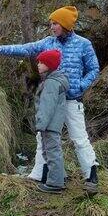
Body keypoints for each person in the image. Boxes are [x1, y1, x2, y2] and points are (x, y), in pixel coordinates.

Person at [0, 6, 100, 194]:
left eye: (55, 23)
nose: (51, 27)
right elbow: (25, 49)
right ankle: (40, 173)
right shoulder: (48, 42)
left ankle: (90, 175)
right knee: (42, 136)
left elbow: (94, 69)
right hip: (51, 100)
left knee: (78, 137)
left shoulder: (83, 44)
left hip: (71, 100)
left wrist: (81, 86)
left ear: (66, 24)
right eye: (50, 23)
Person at [34, 49, 69, 194]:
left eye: (42, 62)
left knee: (52, 152)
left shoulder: (51, 83)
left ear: (50, 65)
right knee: (51, 151)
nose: (38, 65)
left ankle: (55, 184)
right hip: (52, 124)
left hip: (50, 125)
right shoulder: (53, 80)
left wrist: (40, 124)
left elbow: (47, 106)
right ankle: (60, 177)